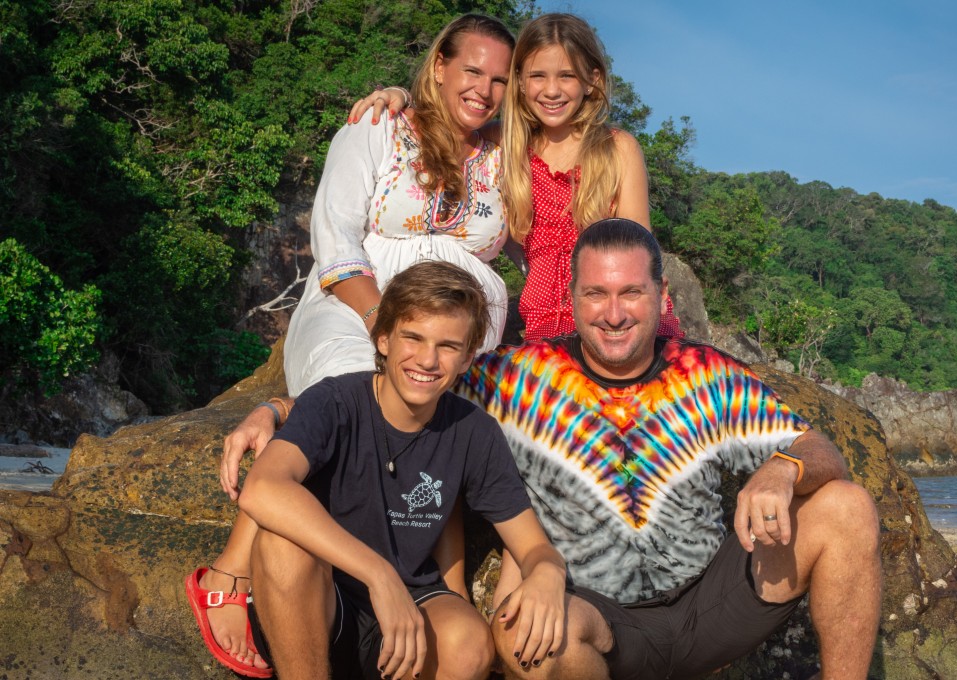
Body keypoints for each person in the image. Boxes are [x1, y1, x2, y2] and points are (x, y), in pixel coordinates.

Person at [220, 219, 882, 679]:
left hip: (715, 600)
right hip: (599, 618)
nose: (613, 312)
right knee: (523, 641)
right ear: (571, 298)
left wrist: (782, 468)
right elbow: (406, 384)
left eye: (631, 292)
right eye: (596, 293)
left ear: (661, 296)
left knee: (846, 508)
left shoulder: (710, 374)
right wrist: (279, 410)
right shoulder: (516, 377)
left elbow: (820, 449)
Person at [184, 14, 515, 676]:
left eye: (500, 80)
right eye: (471, 70)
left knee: (456, 418)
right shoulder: (377, 127)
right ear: (439, 65)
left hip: (454, 325)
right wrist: (380, 326)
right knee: (354, 378)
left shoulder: (507, 156)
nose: (484, 89)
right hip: (355, 300)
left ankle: (434, 583)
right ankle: (235, 566)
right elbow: (334, 241)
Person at [235, 260, 566, 680]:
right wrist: (379, 574)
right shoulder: (334, 401)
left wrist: (549, 571)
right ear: (384, 338)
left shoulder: (474, 431)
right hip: (322, 600)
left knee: (468, 643)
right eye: (413, 338)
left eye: (448, 346)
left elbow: (533, 546)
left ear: (468, 357)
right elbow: (263, 488)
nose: (427, 360)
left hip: (414, 607)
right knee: (283, 547)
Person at [352, 13, 683, 342]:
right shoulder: (505, 144)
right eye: (538, 76)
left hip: (615, 317)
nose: (551, 90)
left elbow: (641, 254)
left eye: (567, 76)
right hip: (544, 320)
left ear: (591, 80)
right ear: (520, 81)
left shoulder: (618, 149)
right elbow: (443, 120)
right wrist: (400, 96)